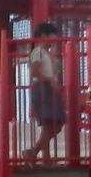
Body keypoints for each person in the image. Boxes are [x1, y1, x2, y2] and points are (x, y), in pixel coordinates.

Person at [24, 22, 65, 163]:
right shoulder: (38, 52)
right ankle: (36, 153)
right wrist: (50, 80)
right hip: (43, 88)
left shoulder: (44, 53)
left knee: (51, 124)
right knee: (53, 124)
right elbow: (34, 72)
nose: (54, 40)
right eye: (53, 36)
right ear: (43, 36)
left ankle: (39, 154)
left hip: (45, 88)